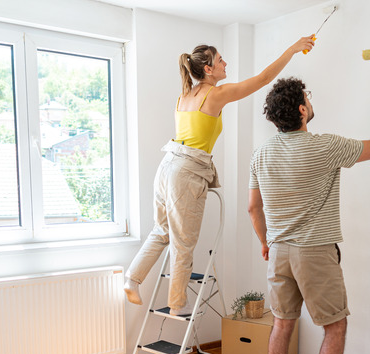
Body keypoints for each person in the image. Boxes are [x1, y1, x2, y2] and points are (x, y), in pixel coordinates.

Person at [124, 37, 316, 316]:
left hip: (167, 166)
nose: (226, 63)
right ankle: (178, 304)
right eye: (221, 60)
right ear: (209, 69)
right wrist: (292, 49)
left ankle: (132, 278)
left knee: (162, 230)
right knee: (183, 241)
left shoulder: (184, 97)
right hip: (185, 172)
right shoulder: (214, 94)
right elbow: (263, 78)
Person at [248, 77, 370, 354]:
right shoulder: (325, 146)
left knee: (282, 324)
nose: (310, 101)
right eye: (307, 98)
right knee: (335, 326)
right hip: (313, 252)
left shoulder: (261, 153)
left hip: (279, 250)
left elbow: (253, 208)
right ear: (301, 110)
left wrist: (266, 242)